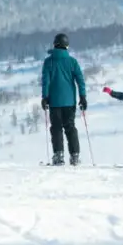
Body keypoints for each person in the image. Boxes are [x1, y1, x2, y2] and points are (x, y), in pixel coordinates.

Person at [40, 32, 87, 166]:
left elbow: (46, 81)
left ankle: (59, 155)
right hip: (70, 102)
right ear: (67, 46)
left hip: (54, 102)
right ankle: (75, 156)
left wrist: (45, 97)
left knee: (56, 128)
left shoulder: (49, 62)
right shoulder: (72, 62)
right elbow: (80, 80)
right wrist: (82, 97)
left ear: (55, 45)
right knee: (70, 127)